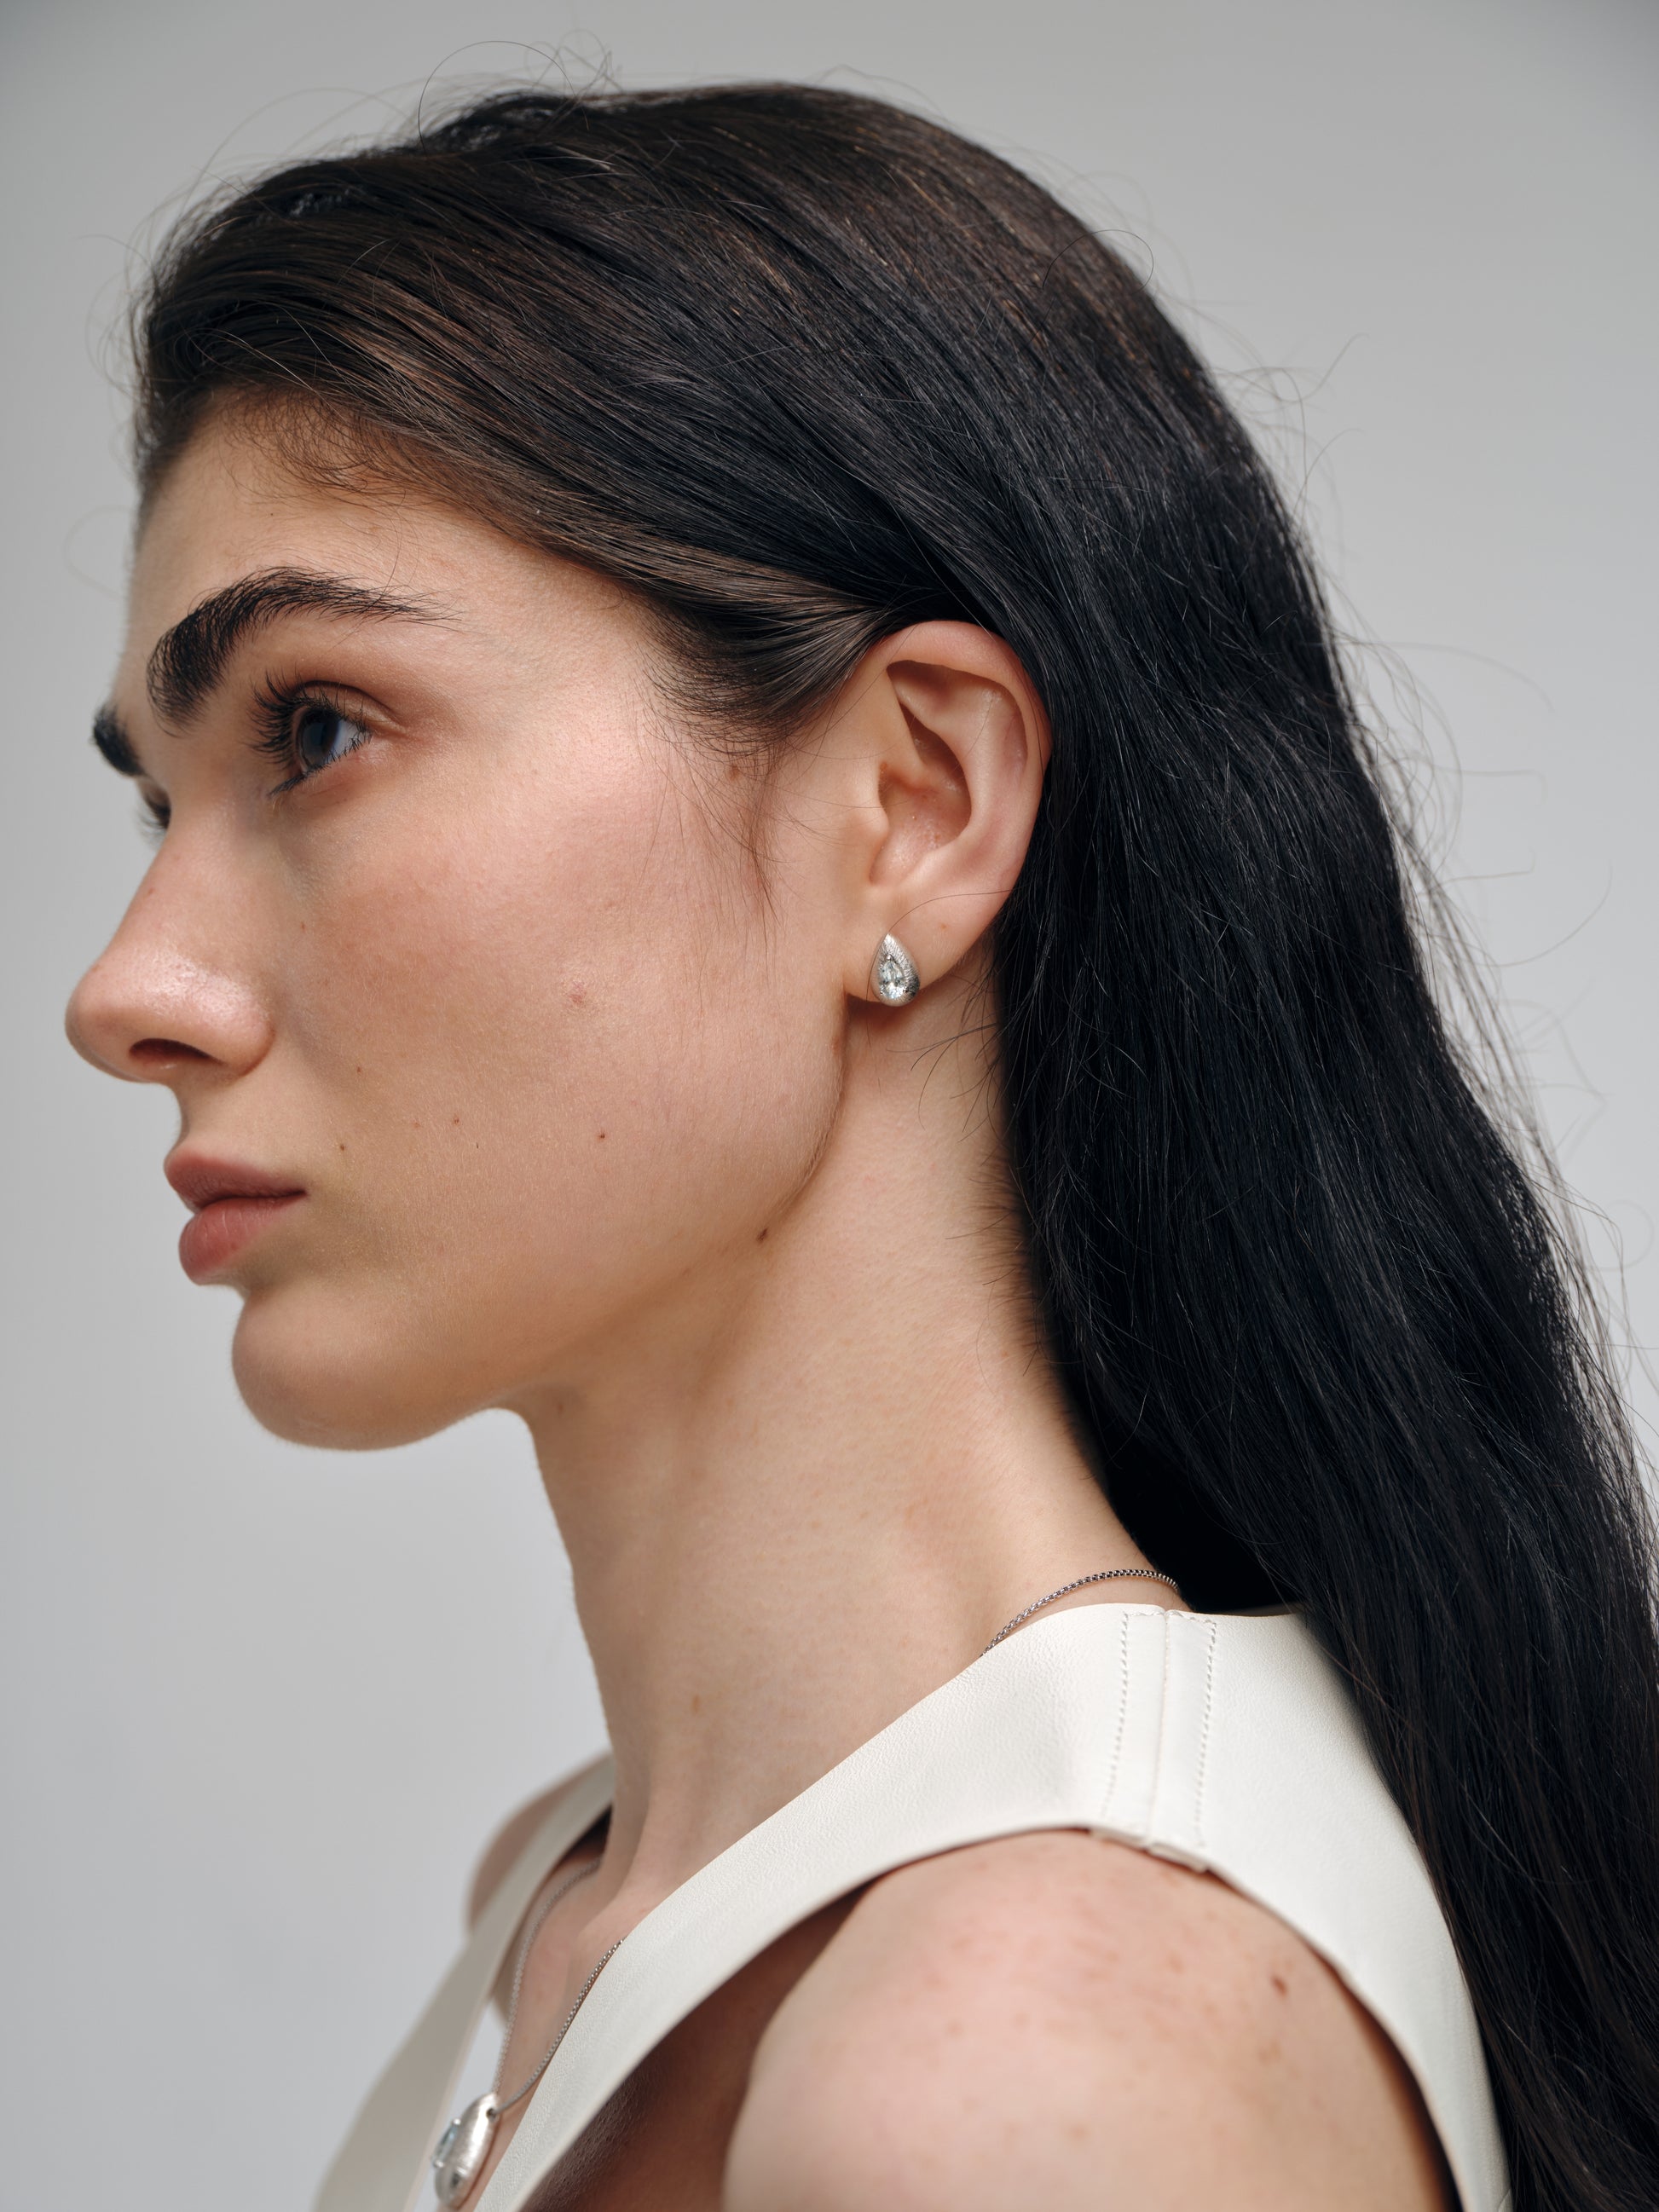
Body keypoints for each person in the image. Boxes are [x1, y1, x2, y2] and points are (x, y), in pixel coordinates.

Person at [66, 82, 1659, 2212]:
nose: (130, 986)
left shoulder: (1014, 2052)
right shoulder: (583, 1910)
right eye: (157, 803)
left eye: (317, 729)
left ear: (912, 802)